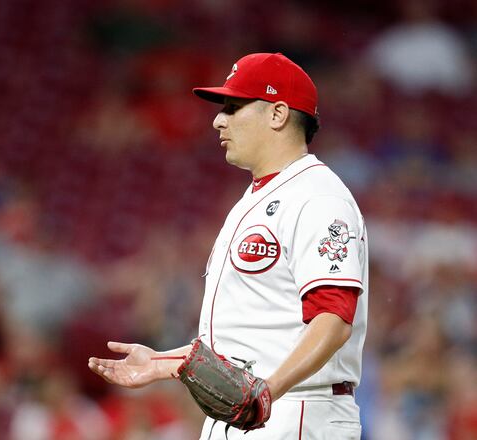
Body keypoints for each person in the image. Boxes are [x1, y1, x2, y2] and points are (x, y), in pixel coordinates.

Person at [89, 52, 368, 439]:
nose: (218, 119)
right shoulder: (257, 198)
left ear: (277, 114)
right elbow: (246, 336)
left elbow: (334, 319)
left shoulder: (317, 198)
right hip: (250, 412)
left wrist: (268, 391)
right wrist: (163, 362)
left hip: (299, 411)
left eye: (234, 107)